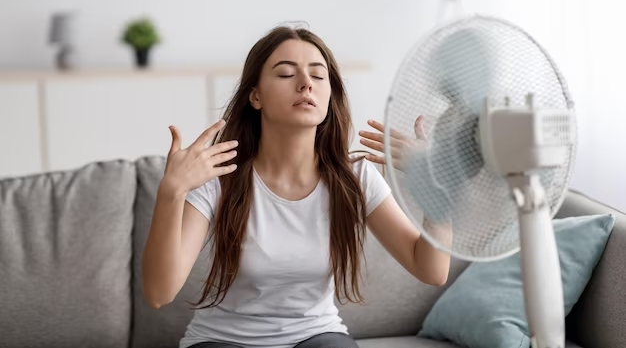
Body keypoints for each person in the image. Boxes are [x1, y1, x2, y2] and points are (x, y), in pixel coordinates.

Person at [142, 25, 452, 348]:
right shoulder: (221, 178)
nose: (306, 84)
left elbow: (431, 269)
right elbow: (158, 294)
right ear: (255, 96)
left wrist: (441, 184)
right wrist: (171, 192)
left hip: (316, 337)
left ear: (329, 95)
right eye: (287, 74)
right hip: (223, 340)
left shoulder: (355, 178)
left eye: (318, 77)